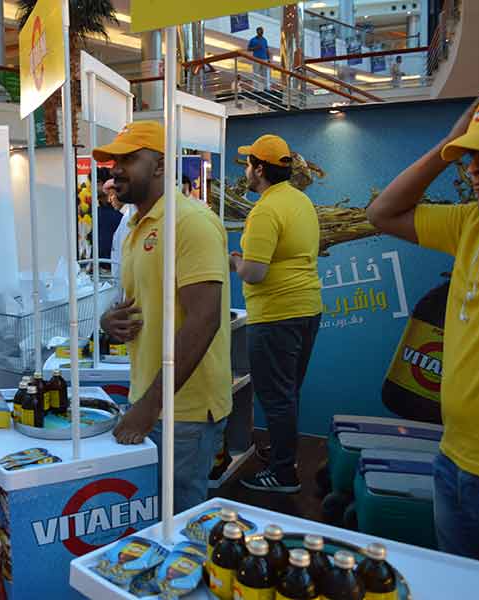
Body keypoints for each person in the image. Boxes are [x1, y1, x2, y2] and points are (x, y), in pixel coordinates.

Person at [365, 91, 479, 568]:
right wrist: (450, 141)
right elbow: (382, 213)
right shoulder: (474, 223)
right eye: (469, 156)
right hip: (452, 458)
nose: (473, 168)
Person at [96, 121, 232, 513]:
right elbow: (143, 303)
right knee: (154, 519)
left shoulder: (190, 222)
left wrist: (148, 407)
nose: (116, 169)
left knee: (178, 521)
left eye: (128, 159)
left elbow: (204, 320)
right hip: (151, 400)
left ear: (159, 165)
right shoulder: (136, 226)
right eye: (114, 161)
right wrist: (109, 323)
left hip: (182, 412)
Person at [232, 134, 321, 494]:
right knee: (288, 393)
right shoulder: (300, 201)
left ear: (259, 169)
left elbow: (255, 272)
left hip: (275, 315)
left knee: (277, 397)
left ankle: (284, 473)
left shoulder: (265, 210)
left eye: (248, 163)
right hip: (307, 309)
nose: (246, 170)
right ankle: (284, 455)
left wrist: (235, 261)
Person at [247, 27, 271, 91]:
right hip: (256, 59)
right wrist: (255, 48)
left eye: (262, 31)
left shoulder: (265, 40)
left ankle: (266, 88)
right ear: (257, 31)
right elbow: (248, 49)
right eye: (260, 31)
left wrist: (268, 59)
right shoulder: (253, 40)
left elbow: (267, 49)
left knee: (265, 74)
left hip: (264, 59)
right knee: (256, 73)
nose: (261, 32)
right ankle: (255, 88)